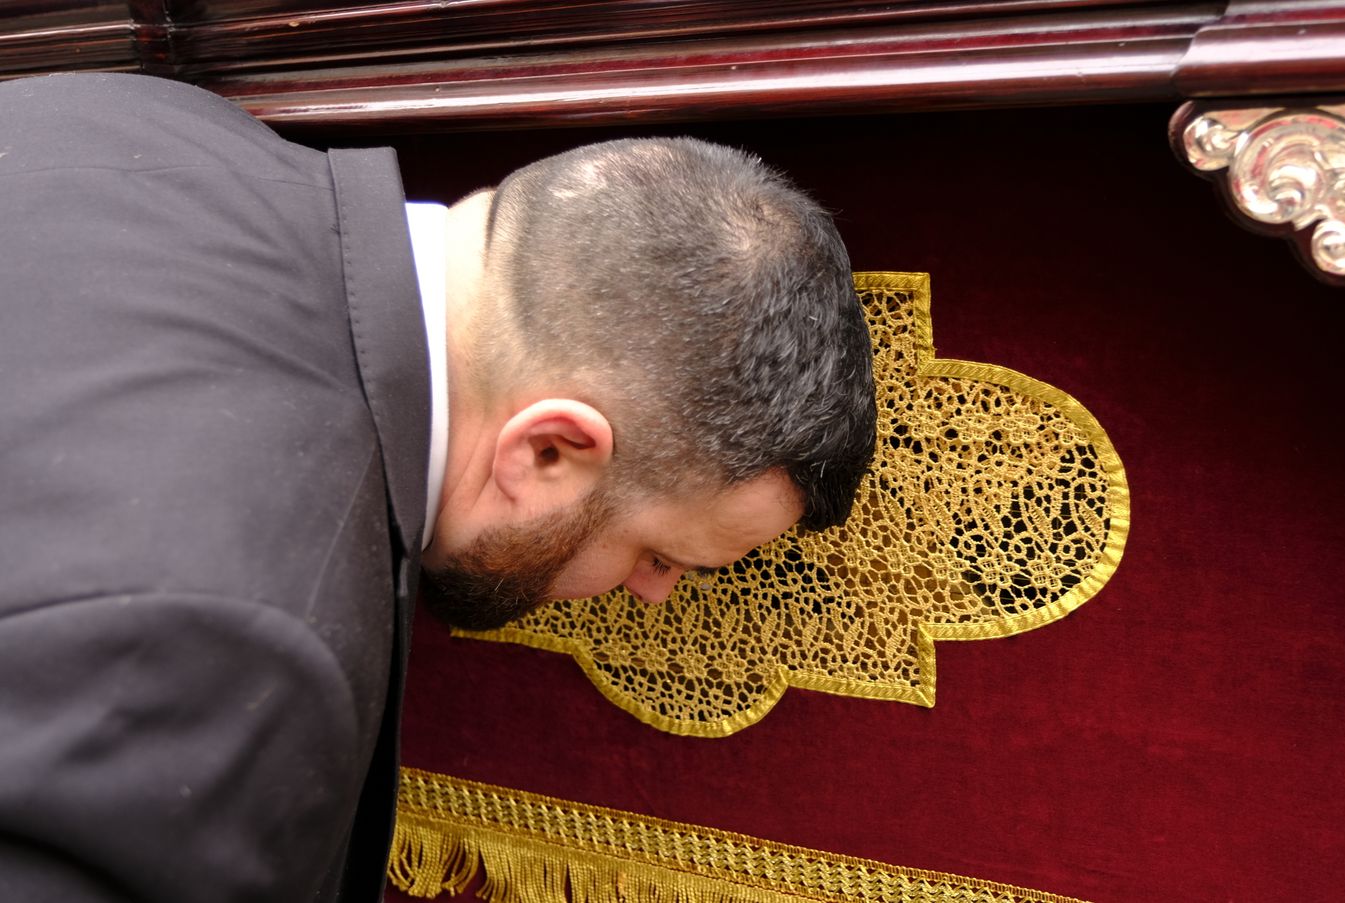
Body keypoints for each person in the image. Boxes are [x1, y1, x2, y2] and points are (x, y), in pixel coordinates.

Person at [0, 72, 875, 902]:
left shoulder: (150, 118)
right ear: (549, 451)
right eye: (659, 553)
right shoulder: (255, 653)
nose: (651, 596)